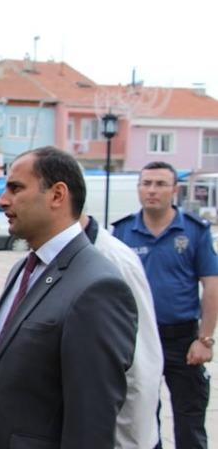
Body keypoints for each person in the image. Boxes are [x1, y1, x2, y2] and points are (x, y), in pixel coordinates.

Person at [0, 146, 137, 449]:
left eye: (16, 188)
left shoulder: (97, 288)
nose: (2, 200)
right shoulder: (23, 269)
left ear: (57, 195)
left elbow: (91, 422)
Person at [113, 161, 218, 449]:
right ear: (138, 188)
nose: (151, 190)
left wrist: (205, 340)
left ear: (175, 189)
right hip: (137, 339)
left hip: (183, 340)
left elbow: (212, 285)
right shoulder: (122, 233)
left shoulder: (195, 231)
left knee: (190, 417)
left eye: (160, 184)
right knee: (141, 418)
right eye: (145, 183)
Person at [81, 214, 163, 448]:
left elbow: (140, 364)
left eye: (17, 189)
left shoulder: (114, 261)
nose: (5, 200)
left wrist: (129, 442)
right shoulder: (39, 260)